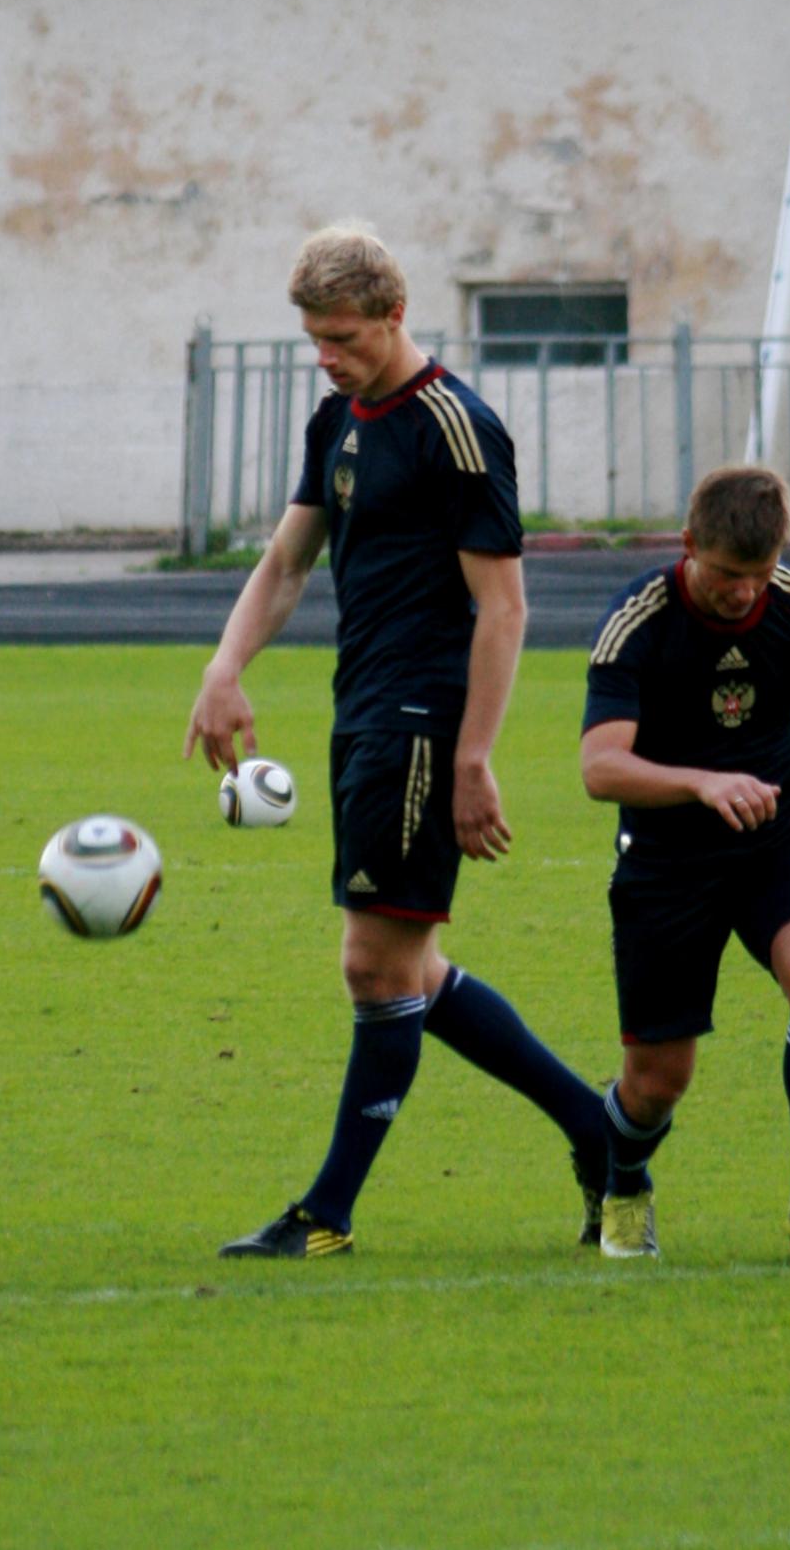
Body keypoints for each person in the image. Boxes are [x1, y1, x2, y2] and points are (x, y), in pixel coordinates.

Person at [185, 224, 607, 1259]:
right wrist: (224, 668)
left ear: (394, 316)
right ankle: (600, 1133)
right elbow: (288, 561)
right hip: (362, 710)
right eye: (314, 339)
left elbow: (504, 607)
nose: (327, 357)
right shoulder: (338, 417)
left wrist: (472, 758)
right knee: (411, 967)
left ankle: (327, 1213)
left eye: (343, 337)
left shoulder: (457, 429)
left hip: (419, 722)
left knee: (376, 967)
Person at [578, 466, 790, 1261]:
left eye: (758, 573)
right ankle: (623, 1180)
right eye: (726, 573)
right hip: (666, 861)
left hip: (775, 841)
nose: (742, 592)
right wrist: (701, 781)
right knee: (657, 1082)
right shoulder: (637, 621)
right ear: (689, 544)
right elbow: (599, 767)